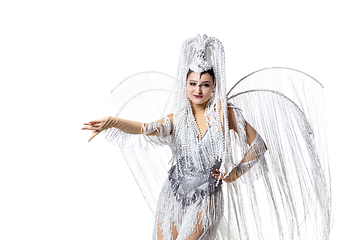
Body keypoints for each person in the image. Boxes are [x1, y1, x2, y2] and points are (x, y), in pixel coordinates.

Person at [82, 35, 331, 240]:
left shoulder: (225, 114)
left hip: (207, 195)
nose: (197, 90)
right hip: (173, 191)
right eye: (192, 84)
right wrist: (111, 122)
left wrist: (234, 172)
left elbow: (258, 145)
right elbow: (146, 127)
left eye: (204, 84)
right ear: (185, 86)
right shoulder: (178, 117)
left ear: (213, 87)